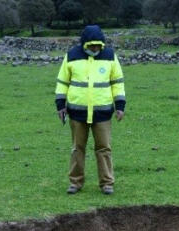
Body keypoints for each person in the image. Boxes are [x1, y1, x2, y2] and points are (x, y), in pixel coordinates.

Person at [54, 25, 126, 195]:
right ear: (84, 44)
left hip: (103, 113)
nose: (95, 48)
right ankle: (75, 183)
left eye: (98, 45)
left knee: (104, 148)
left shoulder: (110, 56)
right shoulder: (71, 56)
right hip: (77, 113)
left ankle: (107, 183)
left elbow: (117, 82)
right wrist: (60, 105)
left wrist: (120, 106)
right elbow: (62, 82)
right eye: (92, 45)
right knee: (77, 148)